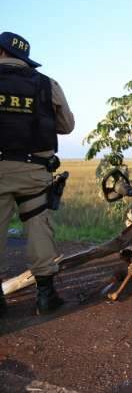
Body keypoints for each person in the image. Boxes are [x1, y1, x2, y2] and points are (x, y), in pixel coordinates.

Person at [0, 32, 75, 316]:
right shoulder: (46, 84)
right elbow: (66, 126)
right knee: (38, 229)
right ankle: (45, 296)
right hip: (34, 171)